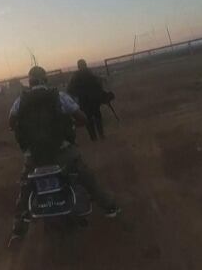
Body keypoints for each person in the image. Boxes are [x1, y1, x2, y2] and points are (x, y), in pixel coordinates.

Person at [8, 66, 120, 244]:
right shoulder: (59, 96)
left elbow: (11, 124)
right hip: (62, 152)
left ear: (29, 82)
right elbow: (82, 118)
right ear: (45, 79)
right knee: (86, 177)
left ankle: (18, 229)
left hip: (35, 156)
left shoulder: (20, 101)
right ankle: (109, 207)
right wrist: (72, 125)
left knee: (25, 187)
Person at [67, 59, 112, 141]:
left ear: (78, 66)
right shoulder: (89, 73)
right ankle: (100, 135)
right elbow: (98, 84)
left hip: (85, 101)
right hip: (91, 100)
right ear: (85, 65)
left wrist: (77, 95)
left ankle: (95, 137)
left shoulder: (77, 75)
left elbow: (70, 89)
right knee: (96, 117)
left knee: (89, 119)